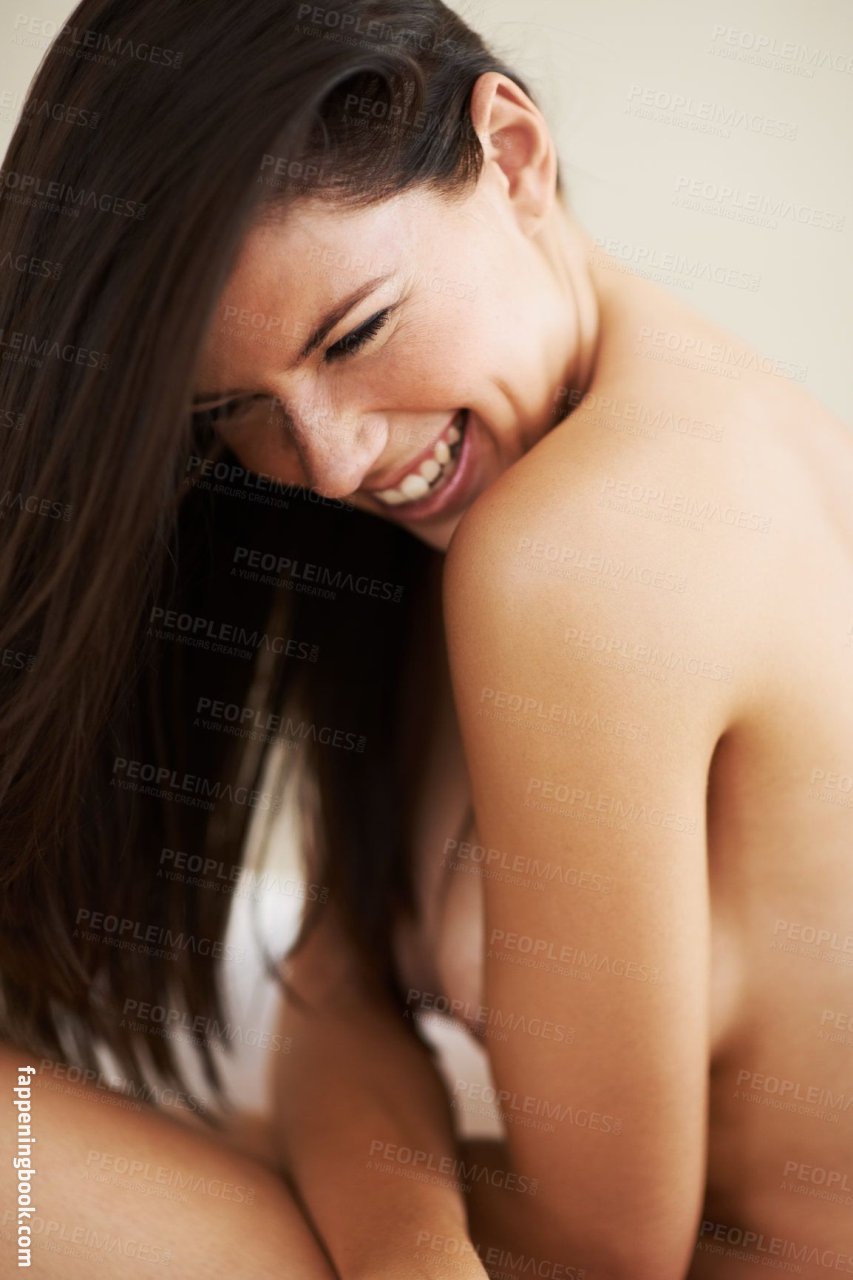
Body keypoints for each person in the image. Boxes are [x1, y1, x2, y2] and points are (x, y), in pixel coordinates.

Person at [1, 0, 851, 1277]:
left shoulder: (587, 549)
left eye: (355, 333)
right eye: (234, 409)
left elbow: (597, 1254)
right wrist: (403, 1232)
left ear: (511, 155)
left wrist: (377, 1219)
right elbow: (334, 979)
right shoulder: (526, 471)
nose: (329, 462)